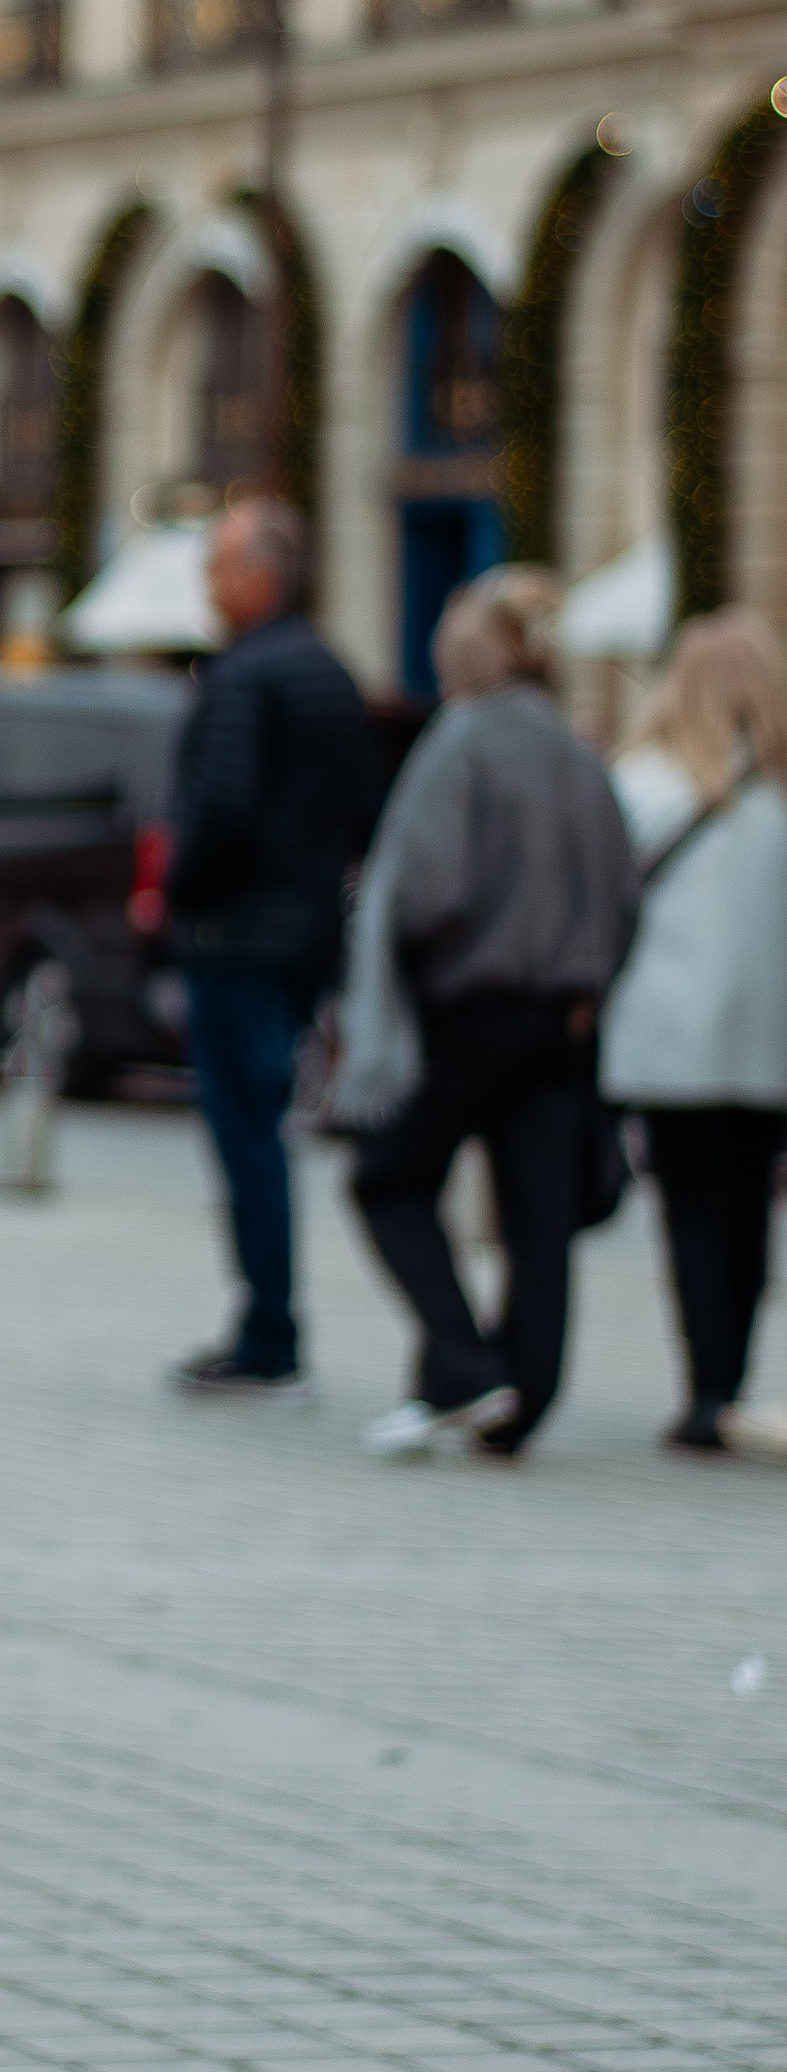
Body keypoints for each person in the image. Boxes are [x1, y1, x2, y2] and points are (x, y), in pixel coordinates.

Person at [348, 567, 638, 1458]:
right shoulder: (577, 751)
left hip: (471, 1007)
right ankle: (518, 1396)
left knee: (387, 1176)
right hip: (566, 1016)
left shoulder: (463, 741)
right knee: (536, 1213)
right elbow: (623, 891)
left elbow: (426, 886)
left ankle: (466, 1365)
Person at [162, 495, 376, 1398]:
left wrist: (179, 888)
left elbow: (223, 807)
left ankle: (267, 1327)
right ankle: (270, 1319)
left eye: (218, 566)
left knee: (246, 1134)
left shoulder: (244, 676)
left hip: (238, 934)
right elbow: (359, 805)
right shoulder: (331, 670)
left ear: (259, 576)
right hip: (303, 931)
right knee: (269, 1127)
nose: (208, 585)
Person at [601, 608, 787, 1452]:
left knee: (693, 1215)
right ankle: (732, 1377)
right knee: (751, 1212)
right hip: (769, 1040)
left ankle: (706, 1385)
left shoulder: (644, 782)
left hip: (671, 1037)